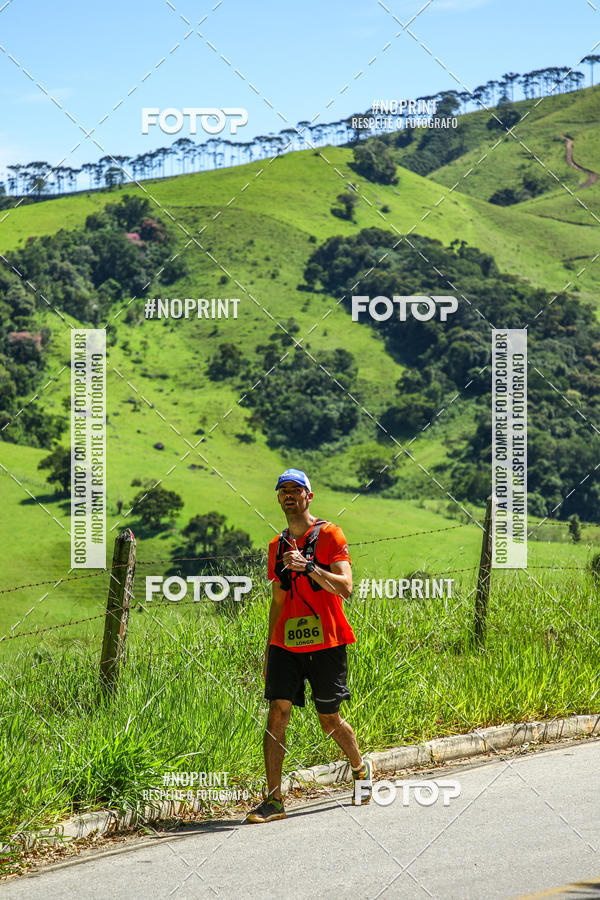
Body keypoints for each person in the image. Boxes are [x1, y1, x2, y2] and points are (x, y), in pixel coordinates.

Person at [247, 468, 373, 824]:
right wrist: (270, 647)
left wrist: (310, 567)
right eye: (282, 490)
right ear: (278, 498)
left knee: (328, 719)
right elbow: (277, 599)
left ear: (309, 496)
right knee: (277, 714)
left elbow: (345, 587)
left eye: (296, 489)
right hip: (287, 643)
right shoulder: (276, 546)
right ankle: (273, 801)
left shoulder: (331, 534)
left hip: (328, 642)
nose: (289, 495)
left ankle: (360, 769)